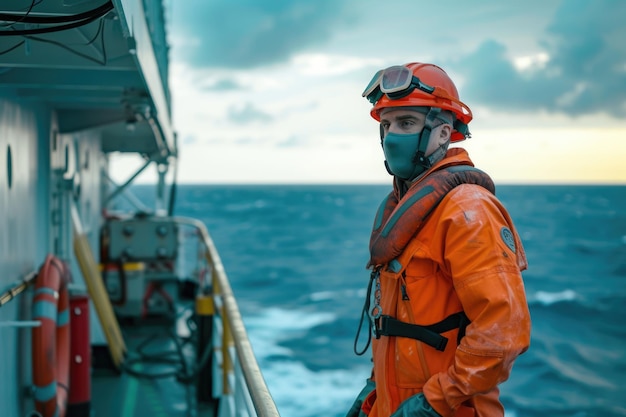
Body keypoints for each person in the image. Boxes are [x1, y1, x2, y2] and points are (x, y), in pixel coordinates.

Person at [347, 63, 531, 417]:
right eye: (386, 125)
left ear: (444, 133)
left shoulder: (468, 211)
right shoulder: (403, 208)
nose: (391, 136)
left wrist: (436, 401)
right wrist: (376, 388)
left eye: (406, 123)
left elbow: (504, 330)